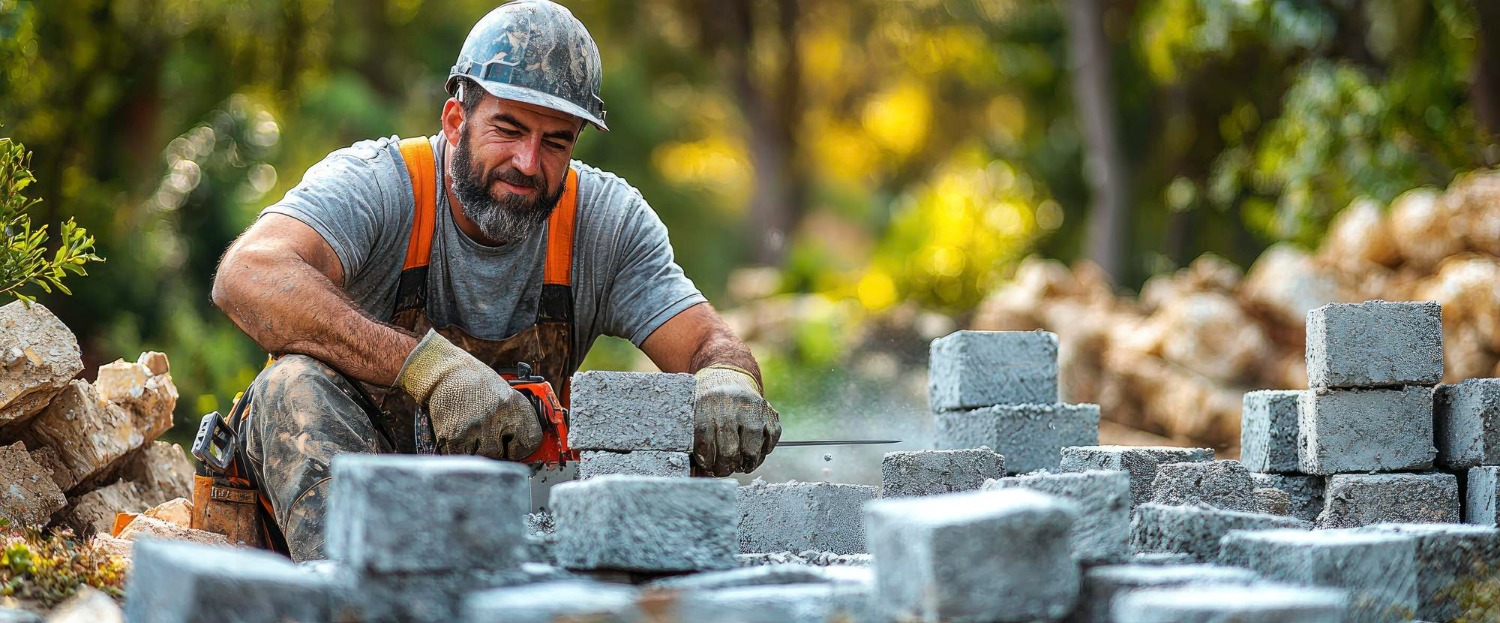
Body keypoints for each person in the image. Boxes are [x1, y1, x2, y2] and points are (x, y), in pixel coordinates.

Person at [209, 0, 781, 561]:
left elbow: (705, 340)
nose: (528, 163)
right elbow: (247, 275)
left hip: (501, 530)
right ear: (456, 121)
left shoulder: (605, 222)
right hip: (355, 497)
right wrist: (427, 370)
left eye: (555, 141)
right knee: (291, 385)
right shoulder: (381, 184)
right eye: (508, 129)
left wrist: (727, 378)